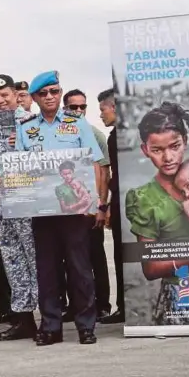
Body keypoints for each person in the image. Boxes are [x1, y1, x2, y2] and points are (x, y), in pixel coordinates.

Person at [14, 71, 105, 345]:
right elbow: (19, 169)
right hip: (42, 212)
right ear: (34, 98)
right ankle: (51, 326)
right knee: (47, 270)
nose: (50, 97)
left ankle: (86, 326)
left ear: (59, 92)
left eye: (54, 91)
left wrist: (99, 203)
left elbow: (96, 164)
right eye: (44, 93)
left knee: (80, 268)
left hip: (76, 212)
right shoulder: (26, 129)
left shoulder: (77, 125)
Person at [124, 101, 189, 325]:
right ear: (145, 150)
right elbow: (150, 267)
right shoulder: (144, 199)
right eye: (157, 150)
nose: (168, 157)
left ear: (185, 142)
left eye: (175, 146)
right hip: (179, 295)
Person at [0, 74, 38, 341]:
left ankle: (50, 315)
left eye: (5, 95)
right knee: (12, 260)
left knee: (37, 259)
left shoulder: (33, 121)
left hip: (32, 203)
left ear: (17, 95)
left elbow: (44, 157)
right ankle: (23, 318)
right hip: (4, 202)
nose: (1, 100)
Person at [61, 89, 113, 321]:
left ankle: (102, 304)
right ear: (65, 109)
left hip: (90, 208)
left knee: (95, 257)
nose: (79, 111)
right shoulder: (59, 135)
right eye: (74, 107)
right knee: (70, 260)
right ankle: (76, 305)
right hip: (67, 210)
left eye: (83, 107)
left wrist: (101, 206)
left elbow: (104, 171)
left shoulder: (95, 135)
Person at [97, 88, 126, 325]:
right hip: (123, 200)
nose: (101, 115)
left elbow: (117, 175)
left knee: (121, 254)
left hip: (122, 201)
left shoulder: (118, 136)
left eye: (102, 109)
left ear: (114, 107)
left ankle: (125, 308)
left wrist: (108, 206)